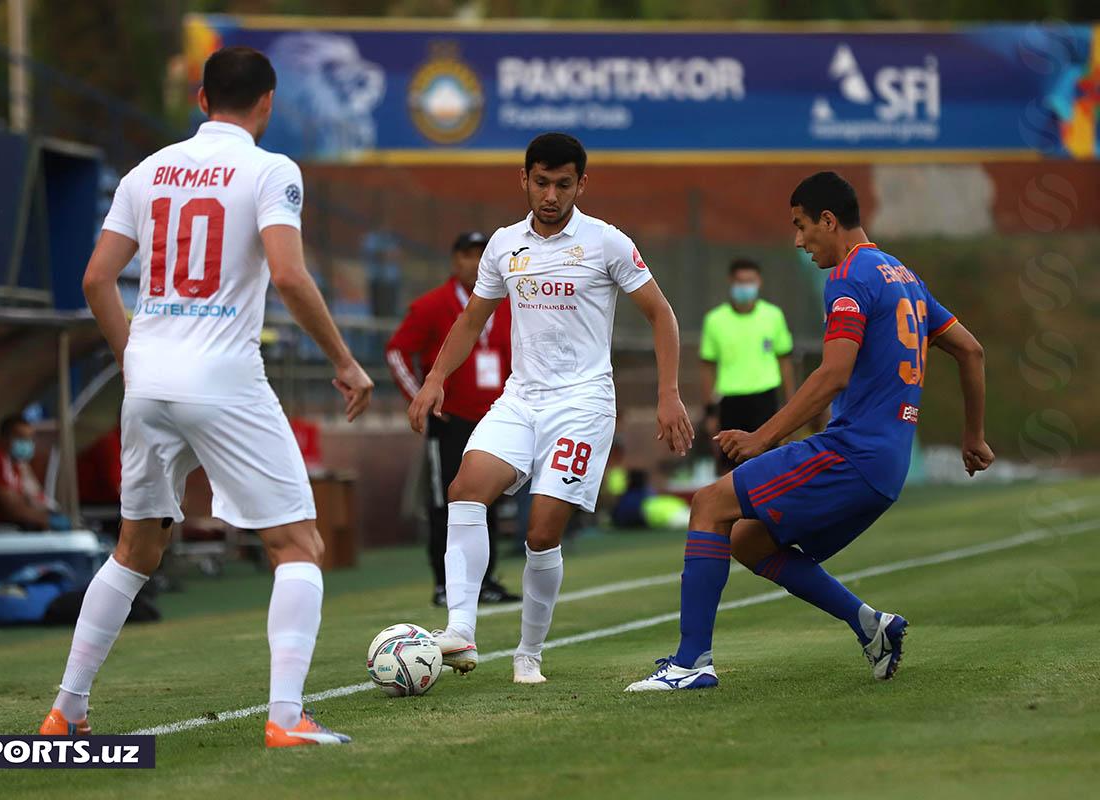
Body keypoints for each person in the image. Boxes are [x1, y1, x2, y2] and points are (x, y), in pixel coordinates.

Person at [38, 46, 373, 747]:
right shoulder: (269, 169)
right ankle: (286, 718)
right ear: (268, 103)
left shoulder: (146, 171)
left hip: (149, 381)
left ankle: (67, 708)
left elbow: (98, 279)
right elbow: (288, 274)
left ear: (200, 99)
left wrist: (135, 356)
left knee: (133, 549)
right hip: (223, 377)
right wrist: (343, 360)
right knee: (297, 544)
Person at [626, 171, 993, 692]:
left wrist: (761, 439)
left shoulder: (849, 276)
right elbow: (972, 350)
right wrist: (973, 437)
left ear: (828, 220)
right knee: (749, 541)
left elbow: (832, 373)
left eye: (801, 227)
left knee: (709, 504)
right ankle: (872, 625)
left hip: (852, 454)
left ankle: (691, 663)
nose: (799, 241)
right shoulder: (902, 274)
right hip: (885, 467)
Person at [408, 132, 693, 685]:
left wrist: (668, 394)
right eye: (541, 182)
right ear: (525, 180)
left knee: (541, 533)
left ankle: (528, 653)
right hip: (521, 397)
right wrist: (435, 378)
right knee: (465, 490)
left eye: (564, 184)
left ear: (581, 185)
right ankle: (461, 632)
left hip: (583, 403)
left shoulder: (607, 243)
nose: (551, 195)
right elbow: (472, 319)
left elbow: (661, 314)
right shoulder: (504, 244)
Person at [386, 230, 518, 607]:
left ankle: (485, 580)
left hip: (495, 418)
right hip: (450, 420)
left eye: (481, 255)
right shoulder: (433, 305)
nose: (475, 263)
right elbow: (397, 351)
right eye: (467, 255)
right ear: (454, 260)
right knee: (445, 501)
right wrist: (420, 397)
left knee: (487, 499)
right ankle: (445, 583)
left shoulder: (507, 304)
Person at [698, 258, 796, 474]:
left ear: (759, 282)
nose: (745, 287)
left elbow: (785, 362)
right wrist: (710, 412)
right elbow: (707, 368)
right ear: (731, 282)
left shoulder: (773, 316)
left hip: (765, 400)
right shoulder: (715, 320)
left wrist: (791, 405)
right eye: (740, 282)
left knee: (769, 465)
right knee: (730, 468)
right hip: (730, 402)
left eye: (750, 281)